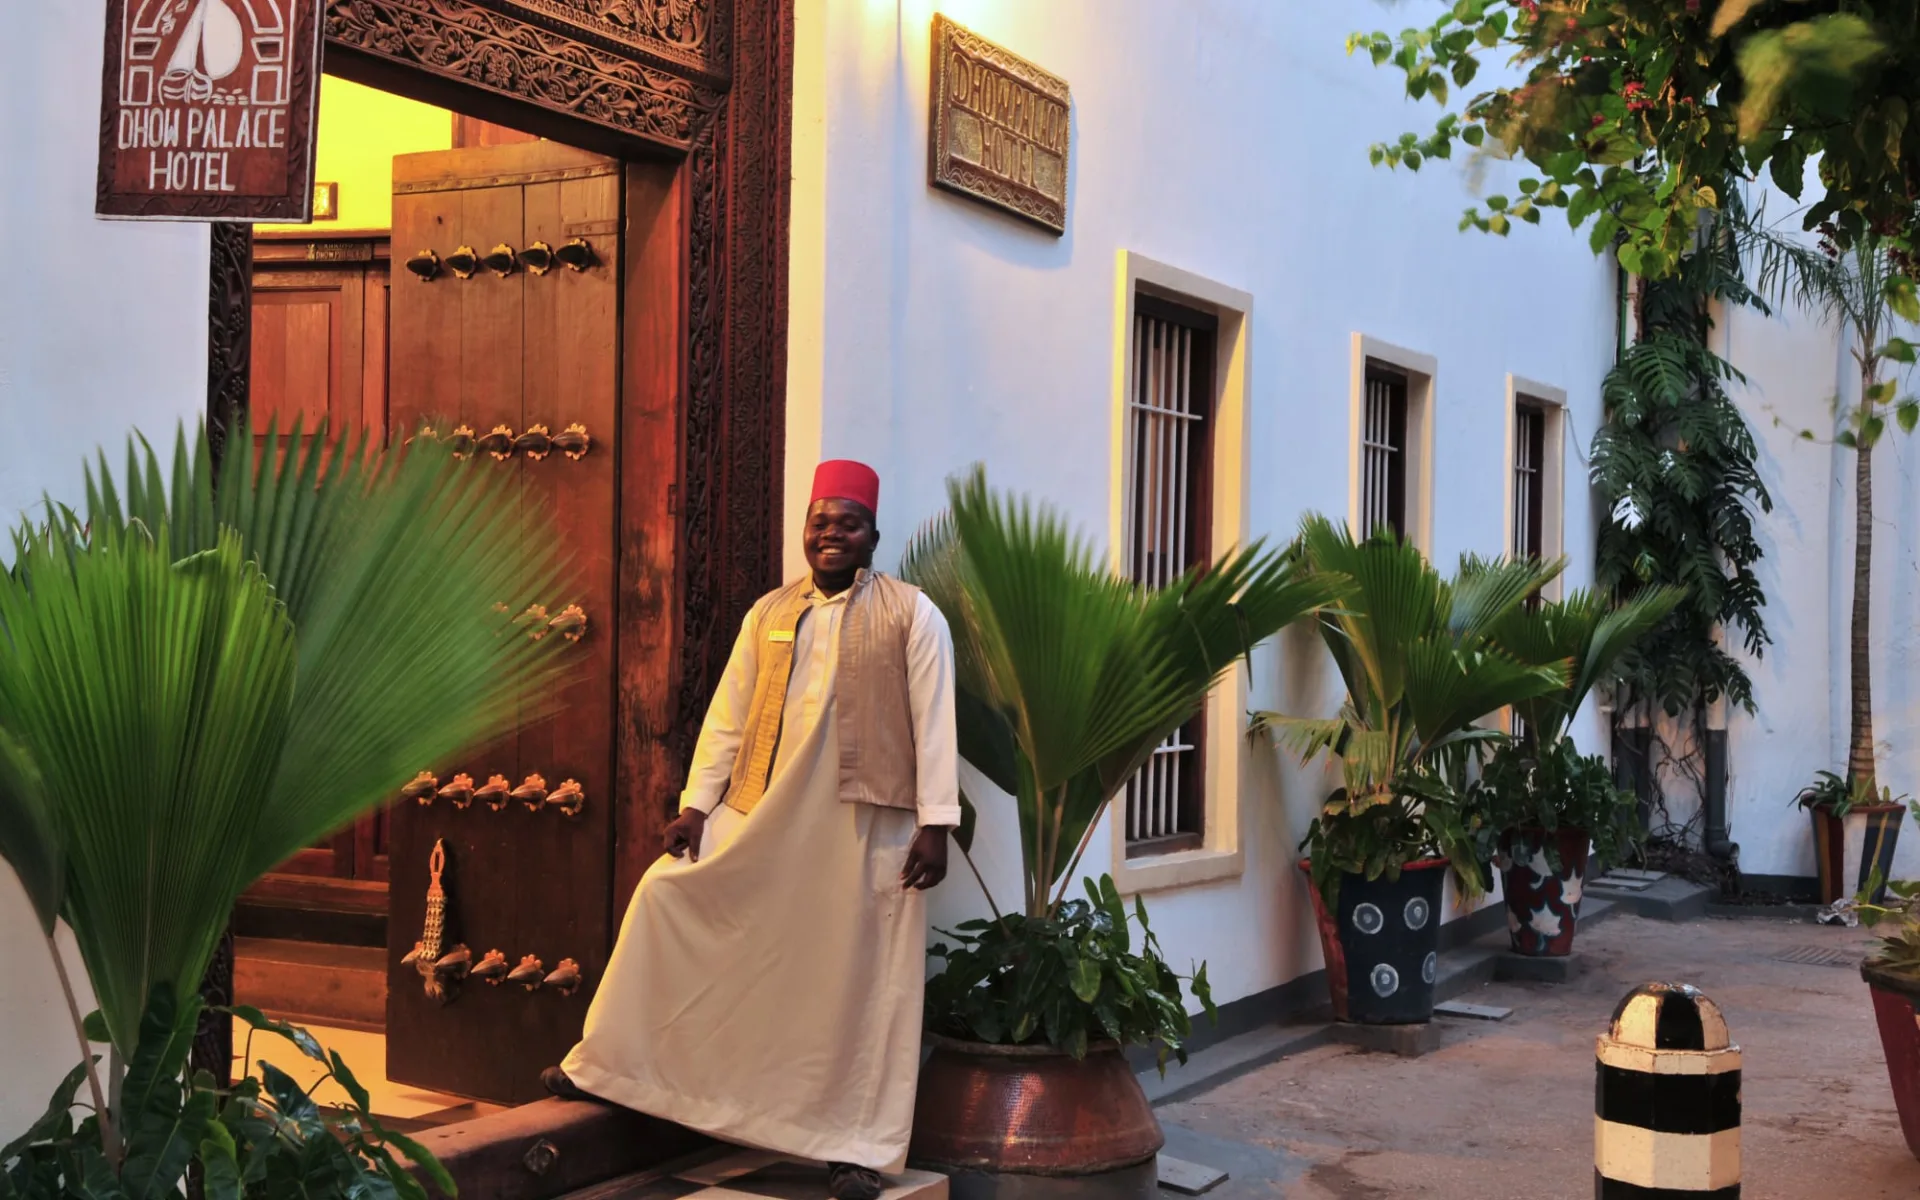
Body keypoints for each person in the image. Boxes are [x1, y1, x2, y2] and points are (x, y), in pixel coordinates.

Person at [543, 460, 958, 1200]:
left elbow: (933, 721)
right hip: (763, 808)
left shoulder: (912, 613)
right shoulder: (768, 612)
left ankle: (857, 1146)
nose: (830, 535)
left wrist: (937, 823)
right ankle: (611, 1068)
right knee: (666, 900)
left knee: (861, 977)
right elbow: (729, 713)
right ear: (805, 530)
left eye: (847, 524)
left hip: (864, 821)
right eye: (819, 522)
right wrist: (698, 806)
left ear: (873, 535)